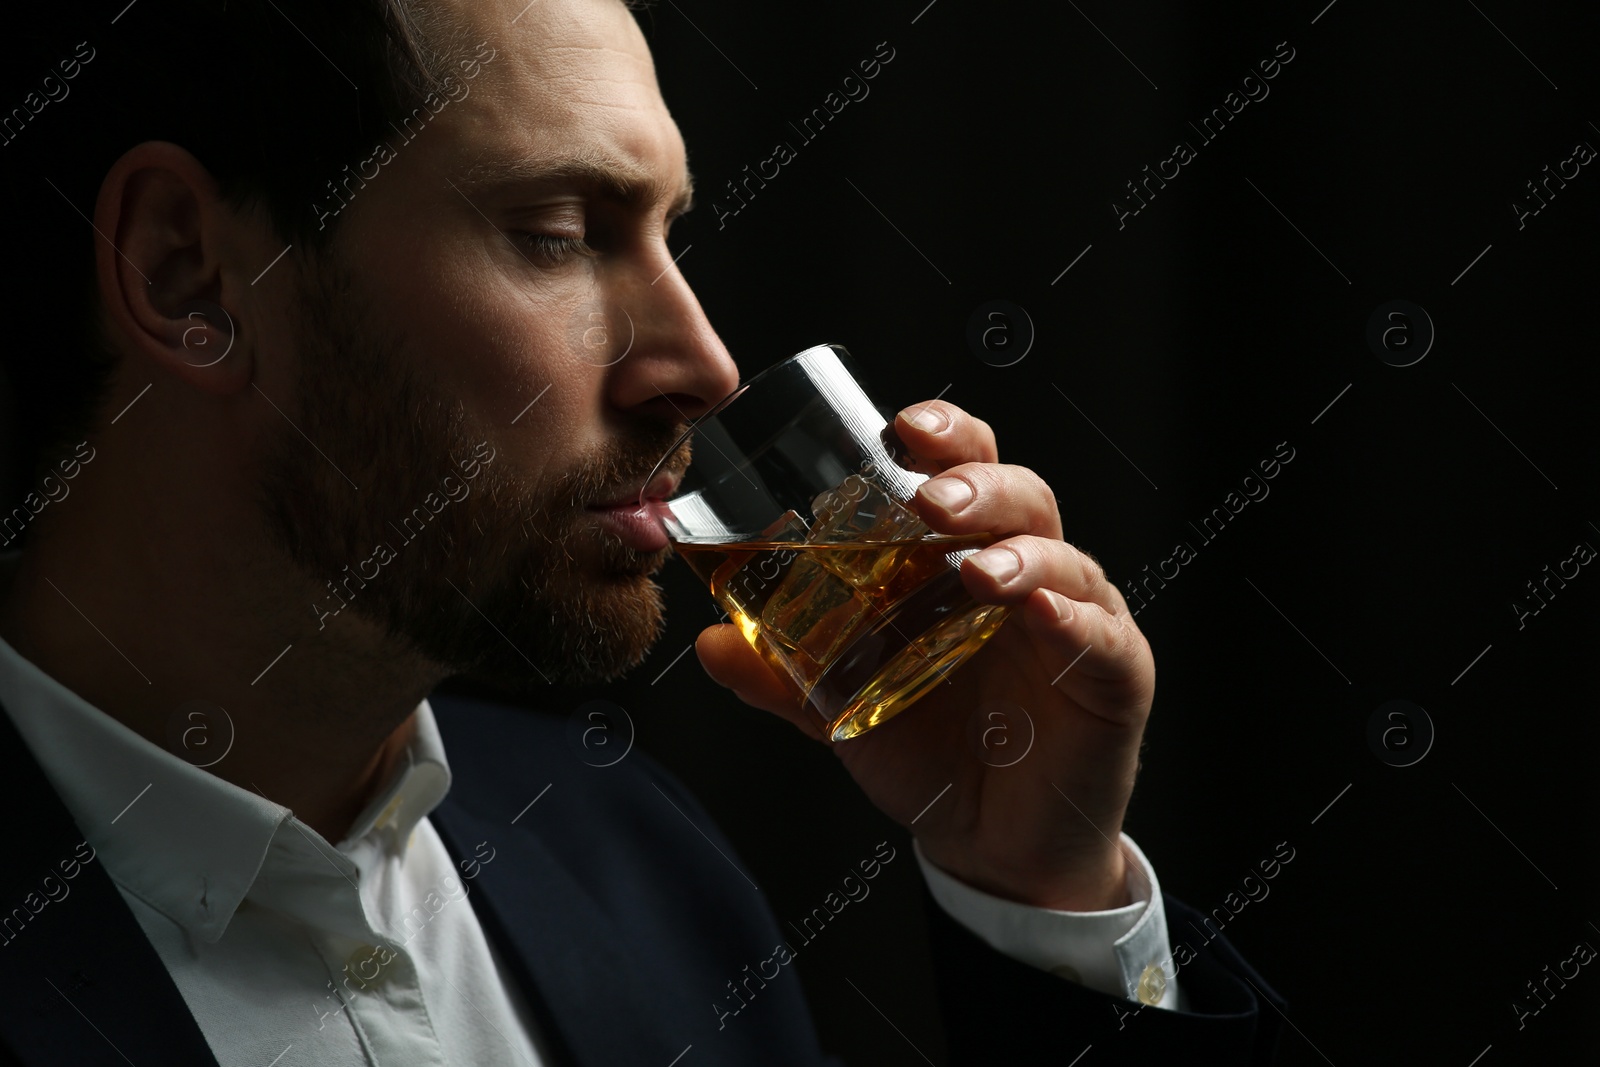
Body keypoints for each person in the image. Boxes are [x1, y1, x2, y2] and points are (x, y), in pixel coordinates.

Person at [0, 0, 1282, 1062]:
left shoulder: (638, 863)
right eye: (557, 237)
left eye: (667, 235)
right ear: (186, 274)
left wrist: (1039, 896)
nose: (702, 364)